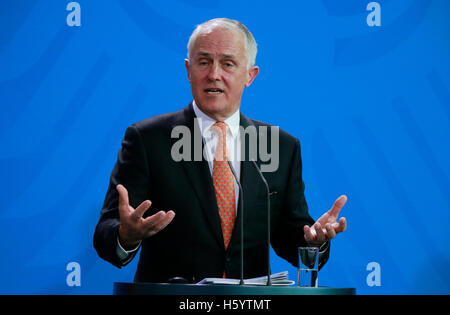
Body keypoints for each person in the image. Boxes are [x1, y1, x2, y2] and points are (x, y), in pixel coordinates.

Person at [93, 18, 347, 283]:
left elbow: (293, 239)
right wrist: (125, 236)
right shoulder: (147, 139)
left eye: (227, 63)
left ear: (250, 75)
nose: (214, 74)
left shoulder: (281, 146)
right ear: (188, 70)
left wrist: (315, 241)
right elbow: (105, 233)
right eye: (204, 62)